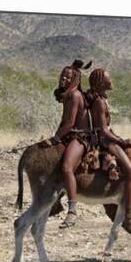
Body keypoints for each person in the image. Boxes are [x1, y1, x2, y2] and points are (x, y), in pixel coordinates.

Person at [86, 68, 131, 236]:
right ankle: (129, 214)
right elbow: (103, 130)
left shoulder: (101, 99)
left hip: (106, 138)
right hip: (104, 141)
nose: (112, 80)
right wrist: (120, 140)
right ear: (101, 82)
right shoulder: (100, 103)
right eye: (109, 78)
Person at [41, 59, 92, 228]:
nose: (63, 78)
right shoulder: (68, 96)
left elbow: (70, 124)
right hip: (70, 136)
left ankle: (72, 210)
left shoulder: (75, 95)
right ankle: (55, 203)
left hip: (80, 138)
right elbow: (64, 123)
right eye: (62, 75)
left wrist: (55, 139)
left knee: (67, 167)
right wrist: (55, 137)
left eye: (67, 76)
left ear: (74, 79)